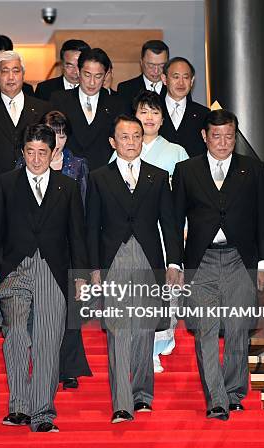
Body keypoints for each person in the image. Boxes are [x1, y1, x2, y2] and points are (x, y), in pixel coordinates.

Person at [0, 124, 88, 432]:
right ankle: (19, 407)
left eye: (42, 152)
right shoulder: (5, 183)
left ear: (53, 151)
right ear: (22, 152)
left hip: (53, 270)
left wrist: (80, 277)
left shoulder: (67, 187)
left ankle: (43, 412)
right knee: (15, 333)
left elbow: (77, 235)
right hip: (15, 268)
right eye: (30, 152)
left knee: (47, 341)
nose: (35, 158)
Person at [172, 109, 264, 421]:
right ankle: (215, 398)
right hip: (200, 261)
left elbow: (261, 220)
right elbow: (175, 221)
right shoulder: (186, 170)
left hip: (240, 260)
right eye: (217, 136)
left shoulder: (252, 169)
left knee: (239, 329)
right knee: (205, 329)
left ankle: (233, 393)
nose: (223, 142)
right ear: (205, 137)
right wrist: (175, 263)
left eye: (229, 136)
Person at [87, 115, 182, 423]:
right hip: (113, 259)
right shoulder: (100, 177)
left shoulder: (158, 176)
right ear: (113, 142)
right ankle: (121, 403)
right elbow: (91, 227)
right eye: (124, 137)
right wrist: (94, 268)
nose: (130, 142)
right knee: (117, 331)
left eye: (136, 136)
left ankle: (142, 395)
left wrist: (174, 263)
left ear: (143, 140)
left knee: (143, 330)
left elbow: (170, 224)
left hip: (147, 258)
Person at [108, 91, 188, 373]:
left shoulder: (176, 151)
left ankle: (155, 347)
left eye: (155, 112)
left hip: (162, 234)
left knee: (162, 293)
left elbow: (181, 200)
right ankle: (133, 346)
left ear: (163, 118)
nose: (149, 117)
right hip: (126, 239)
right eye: (144, 112)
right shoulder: (119, 151)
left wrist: (182, 232)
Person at [16, 110, 91, 389]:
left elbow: (83, 211)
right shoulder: (25, 161)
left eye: (61, 134)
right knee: (39, 313)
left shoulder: (78, 166)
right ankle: (41, 365)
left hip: (68, 245)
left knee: (69, 309)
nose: (56, 140)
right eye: (52, 133)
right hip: (33, 249)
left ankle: (68, 367)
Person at [0, 51, 51, 176]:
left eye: (16, 71)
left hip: (34, 181)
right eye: (5, 71)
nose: (11, 77)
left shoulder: (42, 108)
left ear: (23, 75)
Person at [51, 48, 128, 170]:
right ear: (78, 71)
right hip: (67, 175)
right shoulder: (59, 100)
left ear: (106, 75)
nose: (92, 82)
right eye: (87, 75)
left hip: (103, 176)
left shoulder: (117, 104)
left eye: (98, 76)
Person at [159, 57, 209, 158]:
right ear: (164, 79)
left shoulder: (204, 114)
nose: (181, 83)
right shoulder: (152, 111)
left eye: (186, 77)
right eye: (176, 77)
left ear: (192, 81)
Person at [117, 40, 169, 108]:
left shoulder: (174, 88)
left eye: (162, 66)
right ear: (141, 62)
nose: (156, 71)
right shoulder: (126, 89)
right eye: (151, 65)